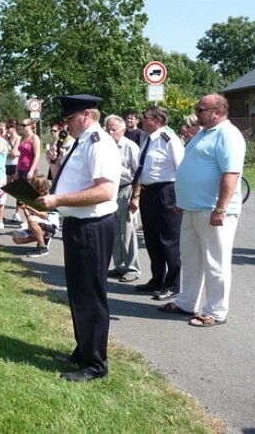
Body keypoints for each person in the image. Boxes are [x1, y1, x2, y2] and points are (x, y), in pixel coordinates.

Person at [37, 95, 120, 382]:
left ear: (86, 114)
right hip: (77, 224)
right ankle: (83, 350)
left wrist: (58, 198)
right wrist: (56, 167)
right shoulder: (82, 142)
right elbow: (72, 182)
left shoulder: (99, 143)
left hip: (93, 226)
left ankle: (95, 364)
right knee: (78, 294)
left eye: (70, 119)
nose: (66, 125)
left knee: (91, 296)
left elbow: (104, 191)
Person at [161, 94, 246, 327]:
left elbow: (231, 174)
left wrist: (221, 208)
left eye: (201, 109)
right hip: (191, 208)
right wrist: (182, 199)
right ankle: (187, 302)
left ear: (217, 111)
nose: (197, 113)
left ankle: (216, 311)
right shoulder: (204, 134)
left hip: (212, 210)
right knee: (190, 259)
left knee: (215, 262)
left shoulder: (228, 135)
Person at [129, 105, 184, 301]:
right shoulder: (148, 139)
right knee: (152, 239)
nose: (142, 120)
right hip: (148, 192)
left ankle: (173, 284)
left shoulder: (169, 140)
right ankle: (157, 279)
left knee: (169, 240)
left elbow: (181, 169)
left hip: (165, 192)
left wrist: (180, 198)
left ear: (158, 121)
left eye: (146, 117)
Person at [104, 115, 141, 283]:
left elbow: (138, 172)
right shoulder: (104, 146)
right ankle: (119, 266)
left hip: (125, 190)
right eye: (108, 129)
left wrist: (136, 197)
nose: (110, 132)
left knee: (128, 232)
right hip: (109, 192)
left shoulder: (130, 146)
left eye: (114, 129)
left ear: (123, 130)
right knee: (114, 232)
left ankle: (132, 268)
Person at [11, 175, 59, 258]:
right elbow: (29, 218)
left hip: (51, 226)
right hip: (38, 225)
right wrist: (24, 207)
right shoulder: (34, 198)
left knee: (32, 219)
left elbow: (45, 215)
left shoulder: (48, 199)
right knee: (16, 237)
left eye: (33, 186)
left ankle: (42, 248)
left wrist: (28, 207)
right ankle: (43, 237)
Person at [4, 119, 22, 223]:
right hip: (6, 164)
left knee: (17, 189)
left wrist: (7, 153)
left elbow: (14, 153)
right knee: (7, 187)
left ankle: (17, 213)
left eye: (8, 128)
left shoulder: (18, 138)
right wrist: (8, 153)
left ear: (13, 128)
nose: (6, 130)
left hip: (15, 164)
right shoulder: (6, 138)